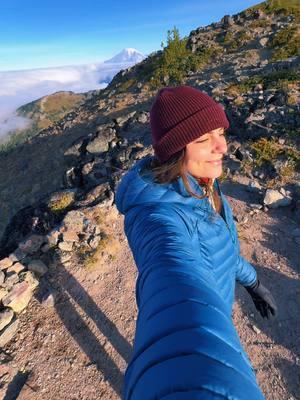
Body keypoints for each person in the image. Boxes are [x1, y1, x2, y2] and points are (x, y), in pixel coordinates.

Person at [115, 85, 277, 400]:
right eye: (203, 139)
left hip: (219, 301)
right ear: (175, 151)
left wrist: (251, 281)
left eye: (220, 132)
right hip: (205, 309)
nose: (222, 147)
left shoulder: (202, 186)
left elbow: (221, 248)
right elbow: (172, 279)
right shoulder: (157, 217)